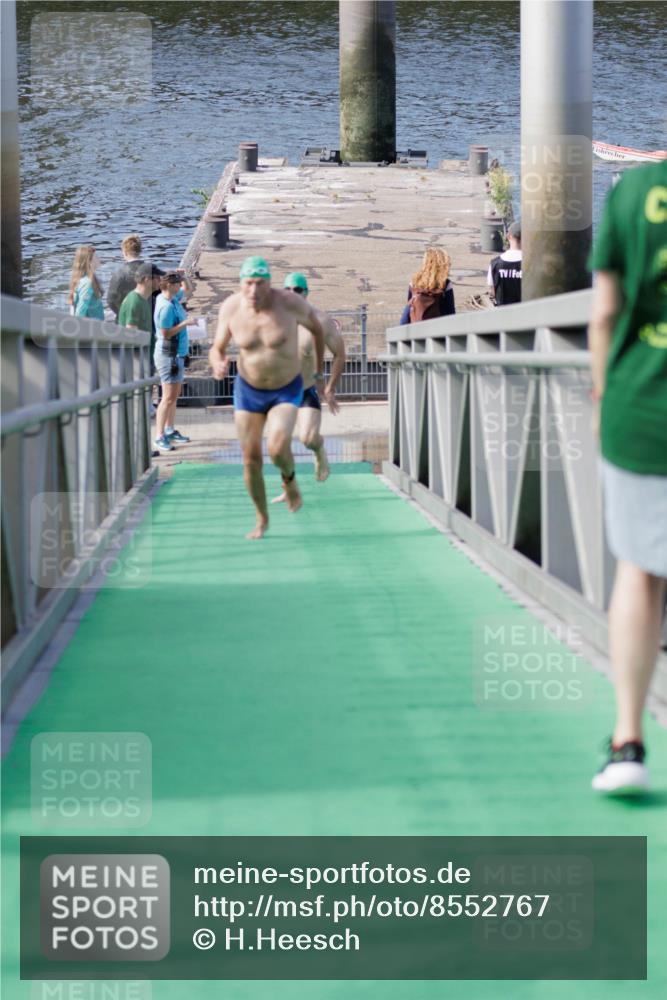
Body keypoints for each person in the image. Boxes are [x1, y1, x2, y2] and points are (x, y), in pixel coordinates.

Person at [588, 159, 667, 795]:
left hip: (642, 410)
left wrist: (599, 393)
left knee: (640, 573)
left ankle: (627, 743)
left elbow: (606, 313)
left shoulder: (635, 191)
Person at [208, 256, 325, 539]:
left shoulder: (290, 303)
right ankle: (261, 518)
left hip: (286, 387)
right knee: (250, 459)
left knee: (276, 447)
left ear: (269, 283)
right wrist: (217, 362)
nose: (253, 290)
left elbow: (318, 329)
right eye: (248, 283)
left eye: (259, 283)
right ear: (240, 283)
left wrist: (319, 367)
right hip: (249, 390)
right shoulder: (231, 308)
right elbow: (217, 347)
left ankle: (290, 481)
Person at [271, 273, 346, 499]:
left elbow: (340, 355)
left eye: (298, 290)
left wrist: (330, 388)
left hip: (305, 390)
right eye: (288, 290)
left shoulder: (321, 322)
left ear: (306, 293)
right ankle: (289, 487)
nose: (293, 294)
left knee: (308, 438)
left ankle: (319, 450)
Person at [152, 272, 192, 453]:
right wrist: (186, 323)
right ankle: (159, 435)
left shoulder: (172, 298)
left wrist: (183, 276)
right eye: (177, 283)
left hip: (178, 354)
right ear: (169, 286)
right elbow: (166, 332)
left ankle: (169, 429)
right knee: (167, 397)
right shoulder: (166, 307)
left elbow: (187, 289)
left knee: (174, 395)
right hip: (168, 354)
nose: (180, 286)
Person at [399, 248, 455, 324]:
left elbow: (409, 310)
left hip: (417, 331)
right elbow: (451, 313)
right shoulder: (445, 284)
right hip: (438, 331)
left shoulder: (414, 283)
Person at [107, 234, 145, 318]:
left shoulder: (119, 273)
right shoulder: (152, 270)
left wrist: (123, 314)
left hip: (126, 319)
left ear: (125, 252)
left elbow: (111, 300)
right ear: (140, 251)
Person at [487, 221, 522, 306]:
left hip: (503, 315)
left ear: (508, 236)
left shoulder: (495, 263)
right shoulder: (532, 264)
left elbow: (492, 291)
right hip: (527, 314)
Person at [68, 245, 105, 319]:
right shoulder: (87, 283)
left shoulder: (84, 278)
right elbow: (81, 310)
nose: (99, 259)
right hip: (94, 326)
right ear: (89, 262)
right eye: (96, 257)